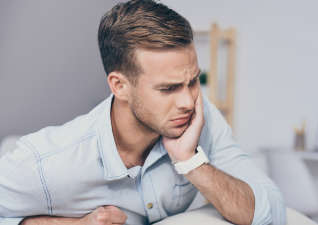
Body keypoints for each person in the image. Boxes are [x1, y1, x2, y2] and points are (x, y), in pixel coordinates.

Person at [0, 0, 286, 225]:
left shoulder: (201, 118)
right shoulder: (45, 162)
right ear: (119, 86)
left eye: (193, 81)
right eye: (169, 88)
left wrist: (191, 162)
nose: (188, 100)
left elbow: (271, 213)